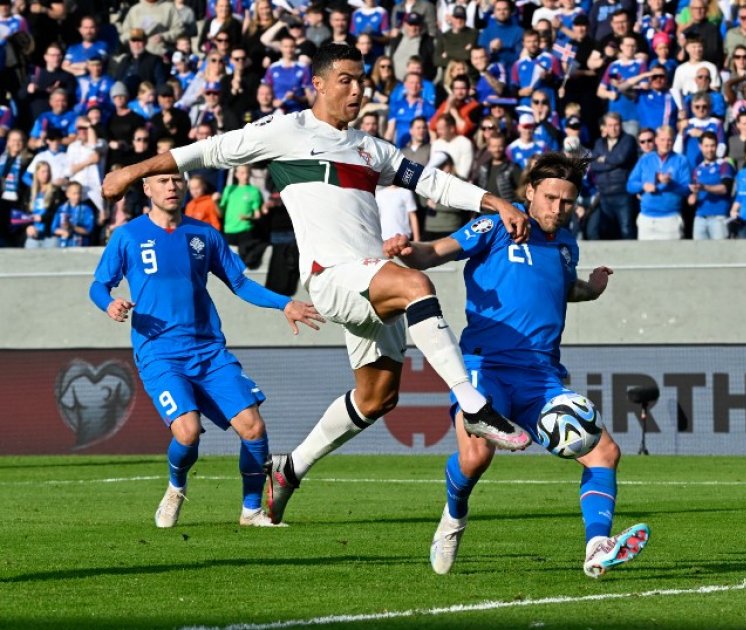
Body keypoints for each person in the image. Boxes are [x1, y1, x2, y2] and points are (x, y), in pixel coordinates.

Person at [100, 42, 534, 525]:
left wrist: (494, 203)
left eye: (361, 79)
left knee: (377, 399)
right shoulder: (287, 129)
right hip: (333, 277)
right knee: (417, 285)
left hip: (372, 278)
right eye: (345, 79)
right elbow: (210, 150)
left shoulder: (372, 147)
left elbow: (432, 182)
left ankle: (289, 468)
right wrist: (133, 170)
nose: (356, 88)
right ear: (319, 85)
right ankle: (474, 405)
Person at [385, 152, 651, 578]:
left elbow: (562, 290)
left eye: (566, 202)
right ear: (530, 193)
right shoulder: (495, 226)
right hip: (484, 366)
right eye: (549, 198)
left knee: (605, 452)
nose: (557, 208)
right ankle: (453, 519)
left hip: (542, 376)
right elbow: (434, 252)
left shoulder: (566, 244)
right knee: (475, 458)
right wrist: (406, 250)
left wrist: (592, 289)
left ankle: (597, 546)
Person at [89, 170, 323, 528]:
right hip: (159, 352)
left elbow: (240, 282)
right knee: (187, 432)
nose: (171, 186)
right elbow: (98, 285)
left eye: (176, 180)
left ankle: (251, 511)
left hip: (208, 350)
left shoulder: (204, 234)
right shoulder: (128, 235)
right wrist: (108, 304)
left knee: (254, 428)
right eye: (163, 181)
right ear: (147, 189)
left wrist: (284, 304)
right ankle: (175, 489)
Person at [626, 125, 691, 240]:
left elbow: (687, 190)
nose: (666, 143)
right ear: (656, 140)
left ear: (674, 140)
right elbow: (630, 185)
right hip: (647, 218)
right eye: (662, 140)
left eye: (669, 140)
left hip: (670, 218)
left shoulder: (681, 160)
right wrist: (643, 186)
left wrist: (670, 183)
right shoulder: (645, 159)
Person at [689, 131, 735, 239]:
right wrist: (693, 195)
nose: (709, 149)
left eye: (712, 146)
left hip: (718, 218)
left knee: (720, 254)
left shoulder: (724, 165)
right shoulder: (697, 169)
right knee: (699, 254)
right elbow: (693, 197)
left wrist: (704, 187)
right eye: (706, 146)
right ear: (700, 147)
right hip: (700, 218)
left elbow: (725, 189)